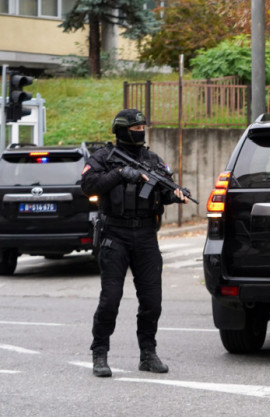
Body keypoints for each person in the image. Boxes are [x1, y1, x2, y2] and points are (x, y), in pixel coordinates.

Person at [81, 109, 189, 377]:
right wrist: (120, 174)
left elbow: (165, 189)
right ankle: (100, 353)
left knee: (152, 301)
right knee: (111, 299)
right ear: (121, 129)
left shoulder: (152, 159)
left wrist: (175, 194)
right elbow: (88, 185)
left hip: (145, 236)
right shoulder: (103, 158)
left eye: (143, 126)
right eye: (135, 127)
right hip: (114, 234)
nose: (140, 130)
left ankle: (148, 354)